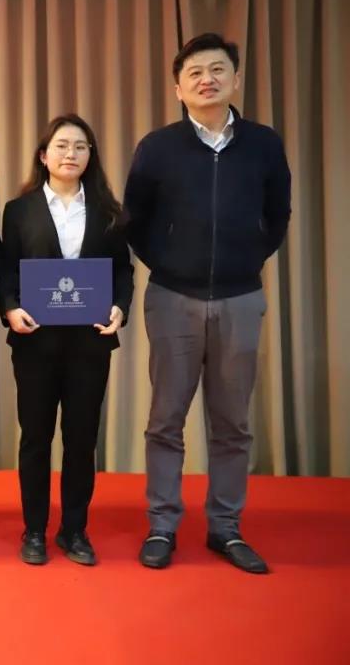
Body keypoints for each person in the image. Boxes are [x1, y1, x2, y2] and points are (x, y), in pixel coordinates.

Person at [125, 33, 291, 574]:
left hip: (241, 298)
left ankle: (225, 527)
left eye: (218, 69)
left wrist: (247, 256)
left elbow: (279, 215)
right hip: (173, 297)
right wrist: (170, 262)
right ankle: (162, 525)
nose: (206, 79)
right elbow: (135, 220)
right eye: (194, 72)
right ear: (178, 87)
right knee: (165, 420)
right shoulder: (158, 147)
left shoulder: (263, 144)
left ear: (236, 79)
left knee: (232, 423)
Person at [0, 114, 133, 566]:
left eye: (80, 146)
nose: (70, 154)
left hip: (89, 345)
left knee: (81, 439)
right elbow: (7, 270)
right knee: (35, 438)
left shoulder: (109, 211)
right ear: (43, 155)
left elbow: (123, 272)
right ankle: (34, 529)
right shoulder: (19, 210)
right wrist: (10, 308)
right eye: (61, 146)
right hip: (35, 343)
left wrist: (120, 307)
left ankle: (74, 529)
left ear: (91, 155)